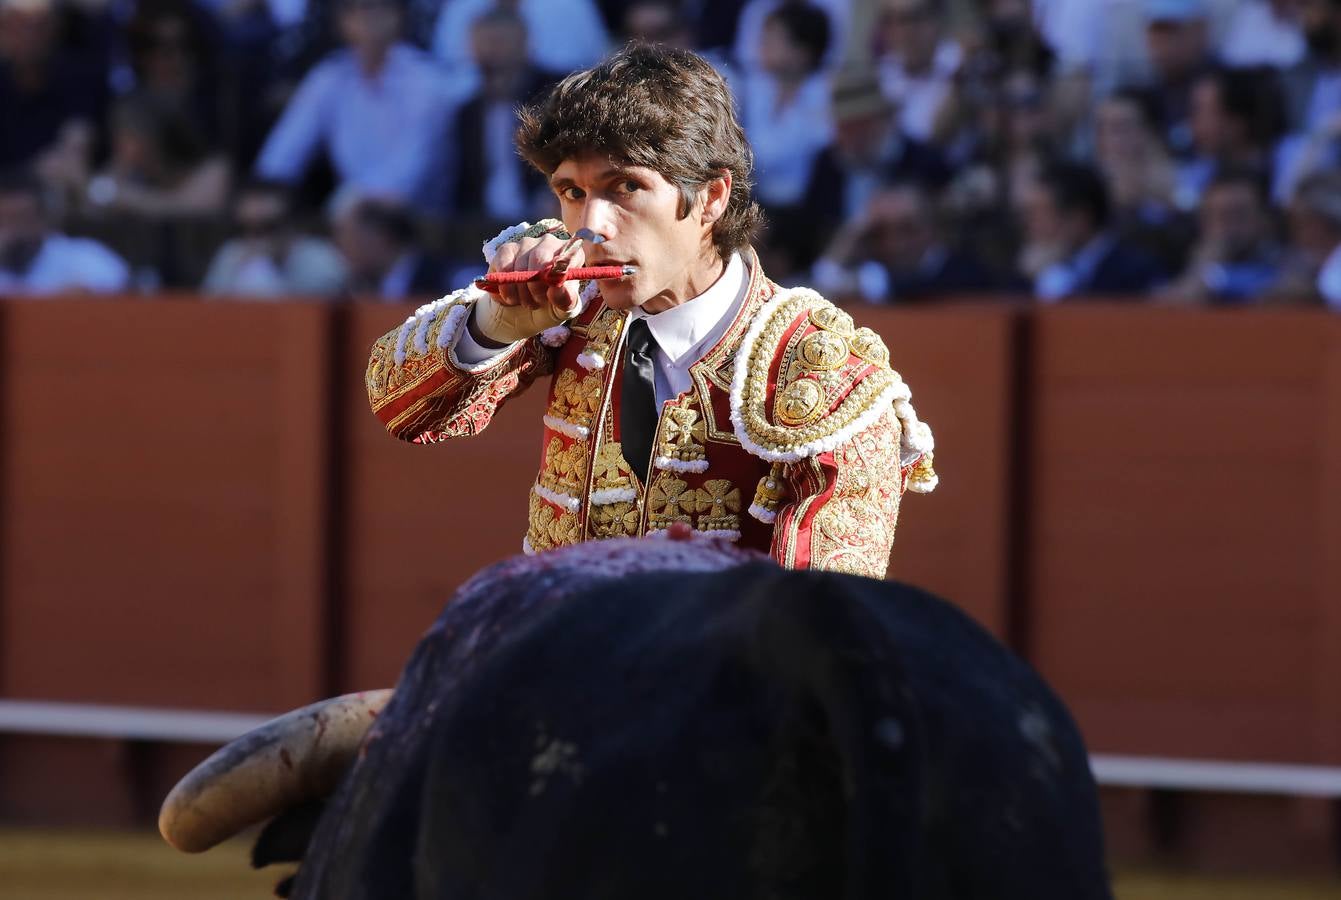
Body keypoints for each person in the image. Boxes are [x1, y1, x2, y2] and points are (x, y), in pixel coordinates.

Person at [365, 45, 937, 577]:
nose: (593, 225)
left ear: (712, 197)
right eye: (571, 192)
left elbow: (811, 634)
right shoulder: (570, 305)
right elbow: (399, 407)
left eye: (626, 188)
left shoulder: (825, 374)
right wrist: (493, 327)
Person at [254, 0, 452, 209]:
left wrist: (351, 204)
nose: (365, 16)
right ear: (342, 21)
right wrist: (262, 196)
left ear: (397, 16)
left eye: (374, 6)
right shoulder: (329, 76)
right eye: (354, 8)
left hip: (420, 221)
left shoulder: (428, 81)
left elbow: (412, 173)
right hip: (349, 217)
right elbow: (281, 156)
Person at [1016, 161, 1168, 301]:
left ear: (1078, 218)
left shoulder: (1135, 274)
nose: (1029, 224)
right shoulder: (1032, 271)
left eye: (1038, 213)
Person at [201, 179, 346, 298]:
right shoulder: (232, 254)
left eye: (268, 228)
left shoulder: (320, 262)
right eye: (244, 228)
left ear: (293, 227)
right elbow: (207, 314)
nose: (255, 239)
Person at [1157, 167, 1284, 303]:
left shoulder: (1283, 262)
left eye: (1237, 215)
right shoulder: (1178, 260)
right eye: (1217, 216)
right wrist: (1200, 270)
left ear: (1262, 218)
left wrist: (1212, 278)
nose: (1227, 226)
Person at [0, 168, 129, 296]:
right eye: (4, 220)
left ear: (43, 218)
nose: (13, 229)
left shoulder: (80, 255)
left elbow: (113, 279)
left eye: (20, 218)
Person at [332, 193, 446, 300]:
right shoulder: (351, 289)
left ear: (380, 237)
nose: (342, 248)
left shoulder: (446, 282)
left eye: (349, 237)